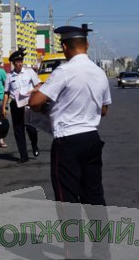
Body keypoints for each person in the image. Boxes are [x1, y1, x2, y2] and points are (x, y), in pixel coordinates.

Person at [29, 24, 111, 205]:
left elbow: (35, 103)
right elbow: (103, 110)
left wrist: (37, 92)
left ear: (65, 47)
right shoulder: (99, 72)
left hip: (68, 141)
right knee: (94, 195)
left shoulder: (64, 71)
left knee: (67, 198)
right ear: (87, 45)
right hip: (92, 138)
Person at [2, 49, 40, 163]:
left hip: (28, 103)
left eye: (21, 61)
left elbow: (38, 85)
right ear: (13, 63)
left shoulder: (29, 72)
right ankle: (23, 156)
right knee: (19, 130)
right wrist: (3, 107)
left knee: (31, 128)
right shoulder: (9, 76)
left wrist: (31, 91)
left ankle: (34, 145)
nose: (20, 63)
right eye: (17, 61)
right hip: (15, 104)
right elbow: (6, 92)